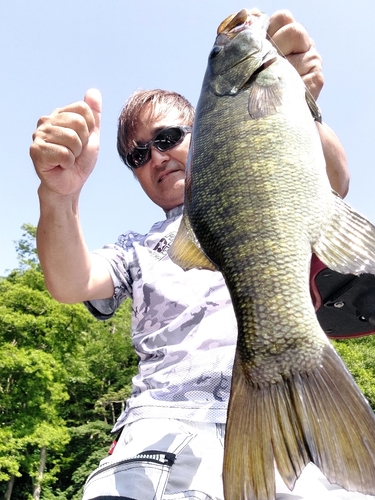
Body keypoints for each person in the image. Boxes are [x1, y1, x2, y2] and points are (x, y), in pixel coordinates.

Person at [30, 9, 373, 500]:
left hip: (301, 418)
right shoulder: (139, 246)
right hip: (163, 436)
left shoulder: (277, 165)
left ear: (206, 131)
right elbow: (70, 280)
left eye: (168, 138)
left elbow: (334, 181)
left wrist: (300, 103)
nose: (156, 157)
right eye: (137, 155)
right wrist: (58, 195)